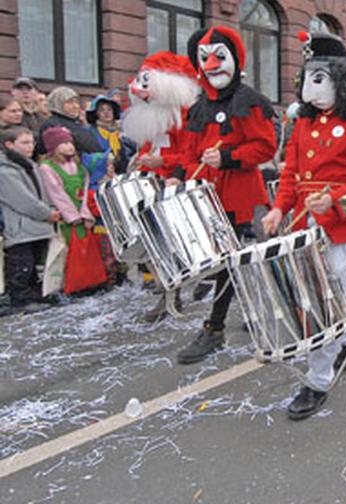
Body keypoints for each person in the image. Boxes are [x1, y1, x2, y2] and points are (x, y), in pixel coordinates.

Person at [262, 30, 346, 420]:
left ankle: (317, 380)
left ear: (340, 80)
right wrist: (279, 209)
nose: (308, 88)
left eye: (319, 79)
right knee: (308, 298)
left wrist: (333, 201)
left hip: (343, 227)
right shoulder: (303, 126)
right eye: (307, 78)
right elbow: (291, 173)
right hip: (301, 223)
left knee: (322, 304)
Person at [172, 26, 277, 365]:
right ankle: (256, 311)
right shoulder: (198, 107)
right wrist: (180, 176)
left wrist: (228, 157)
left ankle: (214, 328)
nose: (213, 64)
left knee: (233, 262)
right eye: (205, 58)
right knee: (231, 262)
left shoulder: (251, 102)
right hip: (207, 197)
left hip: (242, 198)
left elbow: (265, 147)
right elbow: (188, 150)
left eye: (220, 56)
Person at [121, 51, 202, 321]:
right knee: (155, 242)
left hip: (177, 185)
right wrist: (142, 163)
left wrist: (163, 161)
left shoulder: (186, 115)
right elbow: (150, 147)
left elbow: (193, 153)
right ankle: (168, 292)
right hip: (153, 185)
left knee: (178, 243)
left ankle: (184, 288)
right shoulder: (150, 115)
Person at [0, 127, 60, 309]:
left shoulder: (28, 165)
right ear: (9, 145)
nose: (30, 146)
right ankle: (21, 298)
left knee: (33, 263)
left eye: (32, 142)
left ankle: (34, 294)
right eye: (24, 143)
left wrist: (50, 208)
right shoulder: (5, 171)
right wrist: (46, 213)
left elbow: (41, 192)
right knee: (21, 263)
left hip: (35, 225)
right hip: (20, 226)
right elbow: (22, 199)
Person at [37, 87, 102, 156]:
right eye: (70, 102)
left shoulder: (76, 123)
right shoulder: (52, 125)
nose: (75, 106)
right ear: (58, 103)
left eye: (76, 102)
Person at [86, 93, 134, 175]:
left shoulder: (123, 131)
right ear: (96, 114)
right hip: (101, 177)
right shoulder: (90, 133)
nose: (106, 112)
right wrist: (104, 159)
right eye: (102, 110)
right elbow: (86, 158)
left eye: (109, 109)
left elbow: (132, 152)